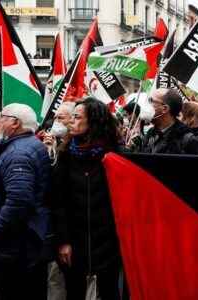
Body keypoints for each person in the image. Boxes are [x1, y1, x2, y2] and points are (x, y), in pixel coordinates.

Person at [51, 98, 125, 299]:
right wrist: (63, 241)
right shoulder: (66, 155)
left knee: (109, 290)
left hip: (109, 242)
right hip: (75, 241)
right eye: (72, 117)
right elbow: (58, 202)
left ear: (93, 121)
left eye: (77, 117)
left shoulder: (116, 156)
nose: (71, 122)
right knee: (74, 291)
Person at [0, 104, 51, 299]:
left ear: (15, 123)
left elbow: (18, 202)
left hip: (13, 247)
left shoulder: (18, 154)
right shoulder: (25, 146)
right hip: (20, 244)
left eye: (3, 117)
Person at [140, 88, 191, 154]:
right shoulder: (150, 133)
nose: (147, 105)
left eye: (151, 100)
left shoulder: (186, 140)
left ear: (165, 109)